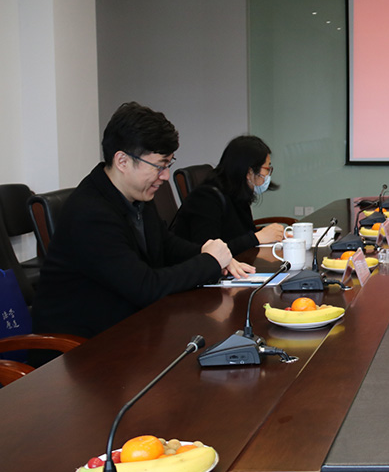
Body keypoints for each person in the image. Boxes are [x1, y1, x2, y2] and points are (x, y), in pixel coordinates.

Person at [32, 102, 254, 339]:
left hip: (129, 327)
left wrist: (210, 253)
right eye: (159, 166)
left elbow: (166, 245)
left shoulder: (137, 195)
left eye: (169, 164)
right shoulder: (91, 213)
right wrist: (209, 261)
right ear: (123, 161)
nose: (165, 176)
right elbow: (145, 287)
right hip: (81, 346)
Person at [172, 135, 285, 255]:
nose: (268, 174)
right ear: (249, 172)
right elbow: (209, 253)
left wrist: (271, 234)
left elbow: (241, 234)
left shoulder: (237, 194)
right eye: (267, 169)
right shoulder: (206, 199)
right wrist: (257, 237)